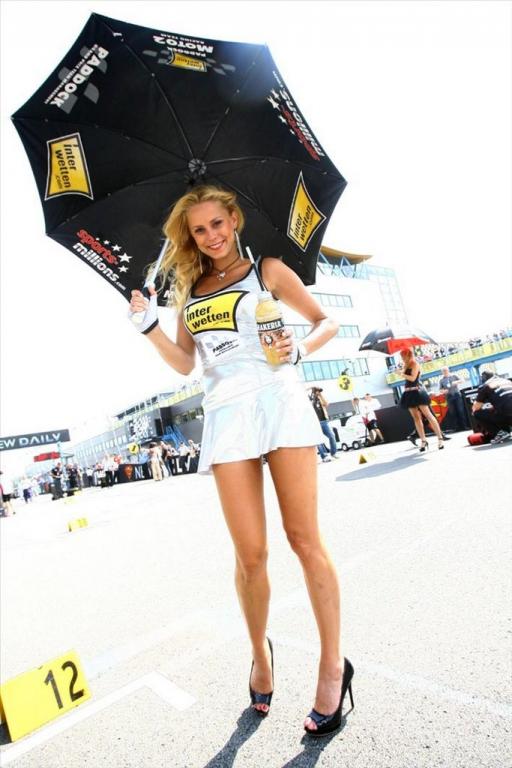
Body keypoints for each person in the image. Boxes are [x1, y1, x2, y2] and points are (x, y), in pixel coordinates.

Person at [129, 185, 353, 736]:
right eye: (199, 229)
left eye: (217, 223)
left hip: (279, 399)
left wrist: (299, 349)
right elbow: (185, 364)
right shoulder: (191, 290)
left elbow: (326, 321)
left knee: (304, 540)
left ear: (235, 219)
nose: (211, 236)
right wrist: (150, 326)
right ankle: (260, 653)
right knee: (250, 554)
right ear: (191, 236)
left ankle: (332, 666)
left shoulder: (269, 270)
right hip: (226, 412)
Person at [398, 348, 444, 451]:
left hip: (417, 391)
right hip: (408, 392)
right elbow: (406, 378)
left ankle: (440, 438)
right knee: (416, 418)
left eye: (403, 356)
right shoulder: (406, 365)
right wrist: (401, 371)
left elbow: (413, 378)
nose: (402, 358)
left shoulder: (415, 364)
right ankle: (423, 440)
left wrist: (401, 373)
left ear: (408, 355)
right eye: (401, 356)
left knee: (428, 415)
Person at [472, 370, 512, 444]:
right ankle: (506, 430)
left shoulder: (486, 386)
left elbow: (476, 407)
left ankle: (500, 433)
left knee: (477, 413)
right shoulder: (507, 381)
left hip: (507, 415)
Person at [308, 387, 339, 459]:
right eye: (317, 391)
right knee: (318, 439)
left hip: (324, 421)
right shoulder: (309, 399)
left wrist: (320, 395)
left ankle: (333, 453)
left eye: (319, 391)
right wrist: (310, 389)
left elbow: (326, 404)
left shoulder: (320, 398)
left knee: (332, 436)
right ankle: (324, 456)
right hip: (315, 422)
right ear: (313, 392)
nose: (318, 392)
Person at [439, 366, 468, 431]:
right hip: (448, 396)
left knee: (460, 411)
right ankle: (457, 427)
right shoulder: (441, 380)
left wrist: (456, 382)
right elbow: (440, 389)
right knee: (453, 412)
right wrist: (443, 391)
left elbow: (463, 380)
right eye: (443, 371)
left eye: (446, 370)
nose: (445, 372)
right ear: (442, 372)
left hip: (457, 394)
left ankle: (464, 426)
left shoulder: (454, 376)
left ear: (448, 370)